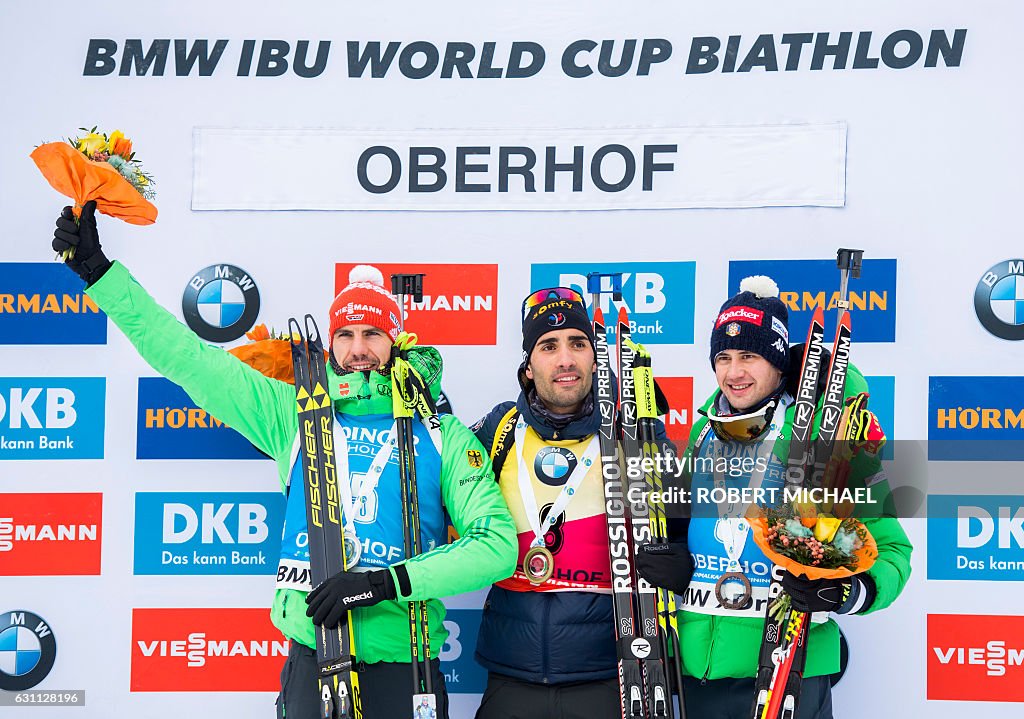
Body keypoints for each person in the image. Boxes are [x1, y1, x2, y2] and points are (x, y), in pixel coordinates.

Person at [51, 201, 518, 719]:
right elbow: (186, 357)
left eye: (372, 334)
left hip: (402, 666)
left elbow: (495, 547)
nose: (358, 348)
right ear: (331, 343)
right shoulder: (292, 412)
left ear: (396, 341)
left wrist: (383, 582)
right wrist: (99, 274)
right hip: (312, 659)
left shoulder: (441, 433)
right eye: (345, 334)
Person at [646, 275, 912, 719]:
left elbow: (892, 550)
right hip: (697, 674)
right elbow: (680, 526)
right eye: (724, 357)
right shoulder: (700, 436)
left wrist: (847, 591)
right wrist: (671, 556)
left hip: (791, 670)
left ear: (777, 363)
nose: (734, 372)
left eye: (749, 356)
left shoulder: (832, 438)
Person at [469, 287, 692, 719]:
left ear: (595, 357)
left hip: (610, 676)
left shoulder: (638, 434)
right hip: (511, 675)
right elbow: (442, 505)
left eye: (578, 343)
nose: (565, 359)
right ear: (529, 366)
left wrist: (680, 561)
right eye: (548, 346)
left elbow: (683, 532)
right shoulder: (498, 430)